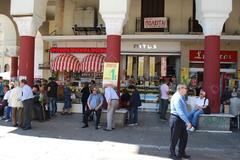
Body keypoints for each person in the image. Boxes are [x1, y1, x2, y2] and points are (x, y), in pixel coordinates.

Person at [169, 84, 191, 160]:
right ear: (181, 89)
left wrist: (187, 119)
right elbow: (180, 112)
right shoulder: (177, 97)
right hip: (176, 119)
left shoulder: (181, 96)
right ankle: (172, 154)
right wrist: (188, 122)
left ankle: (181, 153)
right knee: (174, 138)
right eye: (185, 88)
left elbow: (184, 110)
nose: (186, 90)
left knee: (184, 137)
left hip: (181, 120)